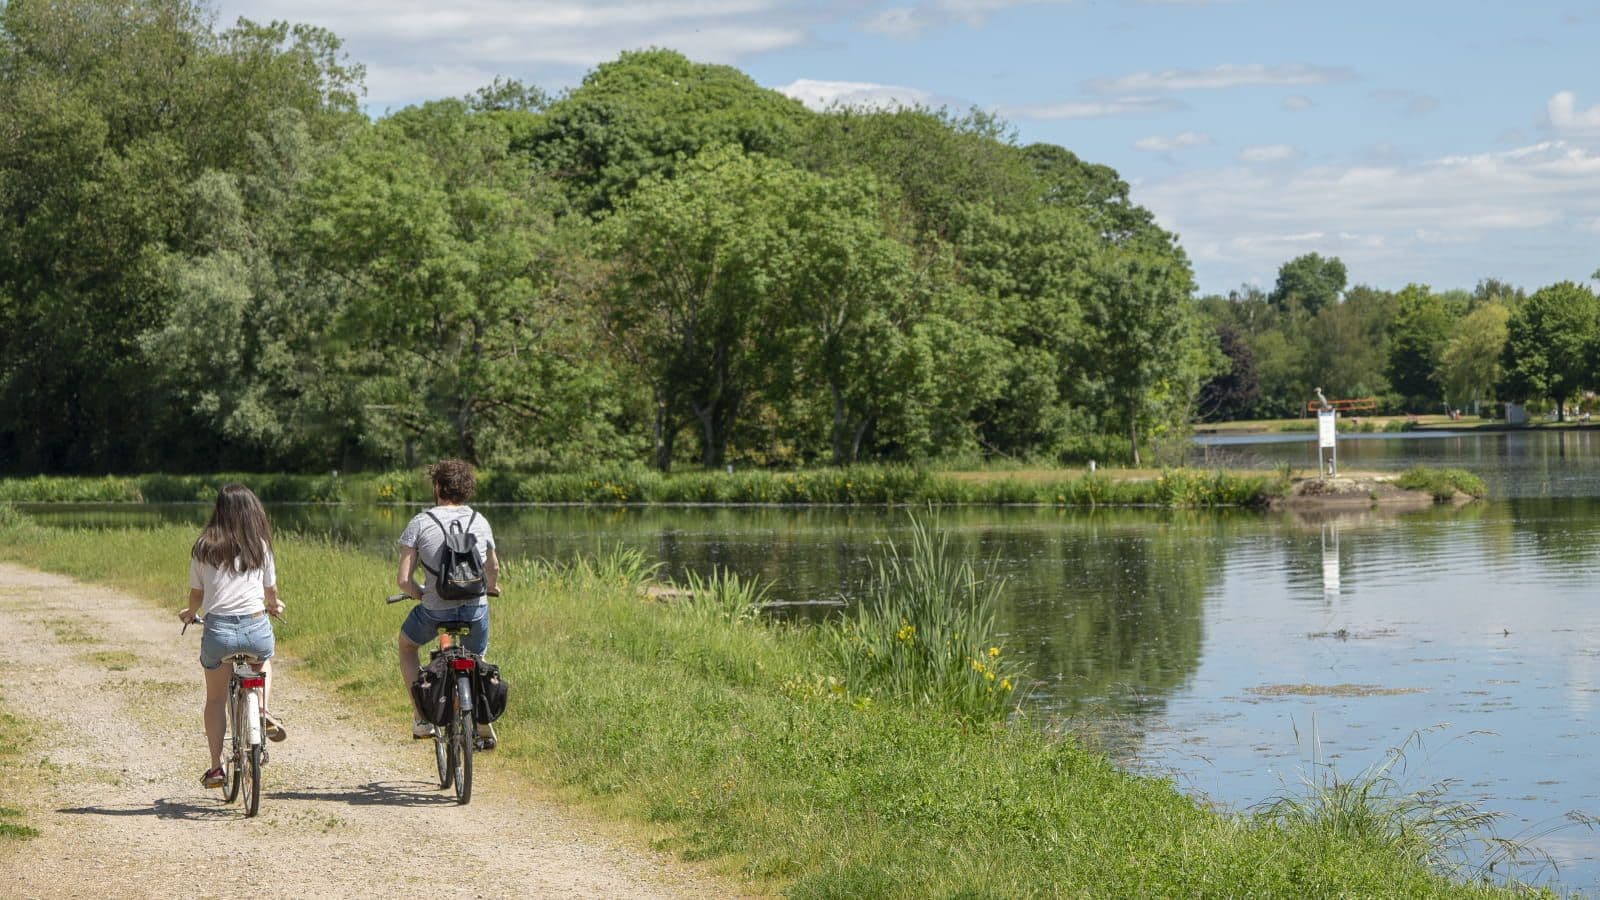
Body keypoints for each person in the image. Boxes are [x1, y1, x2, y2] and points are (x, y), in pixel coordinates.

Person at [179, 483, 287, 789]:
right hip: (255, 628)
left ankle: (216, 768)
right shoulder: (260, 546)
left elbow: (196, 595)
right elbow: (271, 591)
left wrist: (189, 612)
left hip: (219, 632)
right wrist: (273, 606)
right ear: (252, 511)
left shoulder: (203, 547)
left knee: (215, 699)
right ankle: (262, 709)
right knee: (264, 660)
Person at [395, 459, 499, 745]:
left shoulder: (420, 522)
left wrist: (420, 593)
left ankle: (422, 717)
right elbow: (493, 568)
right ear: (466, 489)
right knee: (477, 656)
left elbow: (403, 580)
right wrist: (490, 587)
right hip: (475, 609)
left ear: (438, 486)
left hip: (434, 611)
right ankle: (480, 717)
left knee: (407, 647)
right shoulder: (480, 521)